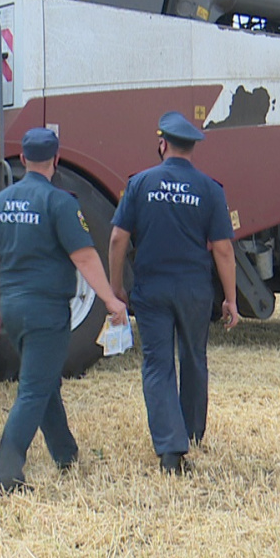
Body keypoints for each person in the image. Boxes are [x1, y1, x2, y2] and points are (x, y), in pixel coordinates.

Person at [0, 127, 127, 494]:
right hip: (46, 310)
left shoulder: (1, 202)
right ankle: (5, 476)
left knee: (43, 381)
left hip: (12, 307)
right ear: (56, 160)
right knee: (33, 389)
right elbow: (85, 256)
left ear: (24, 160)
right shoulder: (61, 203)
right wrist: (110, 299)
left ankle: (65, 454)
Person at [108, 111, 240, 475]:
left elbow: (119, 237)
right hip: (195, 290)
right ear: (192, 149)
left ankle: (170, 447)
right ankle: (193, 432)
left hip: (152, 289)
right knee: (194, 359)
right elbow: (223, 249)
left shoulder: (140, 184)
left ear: (162, 143)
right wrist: (230, 298)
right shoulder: (210, 189)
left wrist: (115, 286)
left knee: (157, 363)